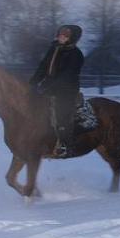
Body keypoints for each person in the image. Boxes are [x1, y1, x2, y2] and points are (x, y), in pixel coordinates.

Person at [29, 24, 85, 157]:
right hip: (49, 87)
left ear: (72, 38)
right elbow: (43, 66)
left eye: (65, 35)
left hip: (66, 90)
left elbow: (66, 76)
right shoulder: (54, 49)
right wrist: (32, 83)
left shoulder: (76, 54)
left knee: (61, 113)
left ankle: (65, 144)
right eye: (60, 33)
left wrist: (45, 87)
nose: (61, 36)